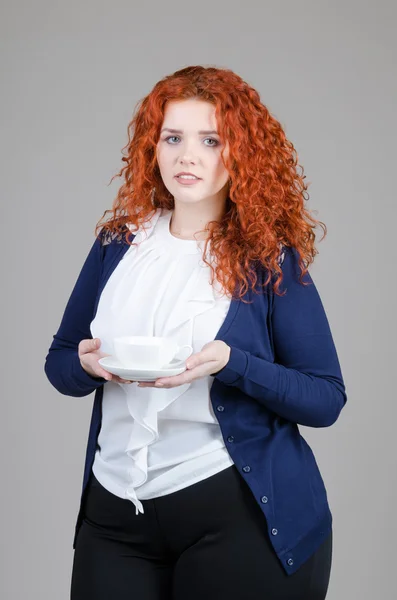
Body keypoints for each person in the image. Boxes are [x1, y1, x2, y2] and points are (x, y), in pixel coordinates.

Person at [44, 65, 347, 600]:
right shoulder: (118, 244)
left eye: (211, 140)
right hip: (116, 514)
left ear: (241, 154)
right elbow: (61, 363)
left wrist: (233, 363)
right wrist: (86, 365)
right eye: (173, 137)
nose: (188, 155)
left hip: (237, 518)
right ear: (152, 148)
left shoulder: (269, 259)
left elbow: (325, 399)